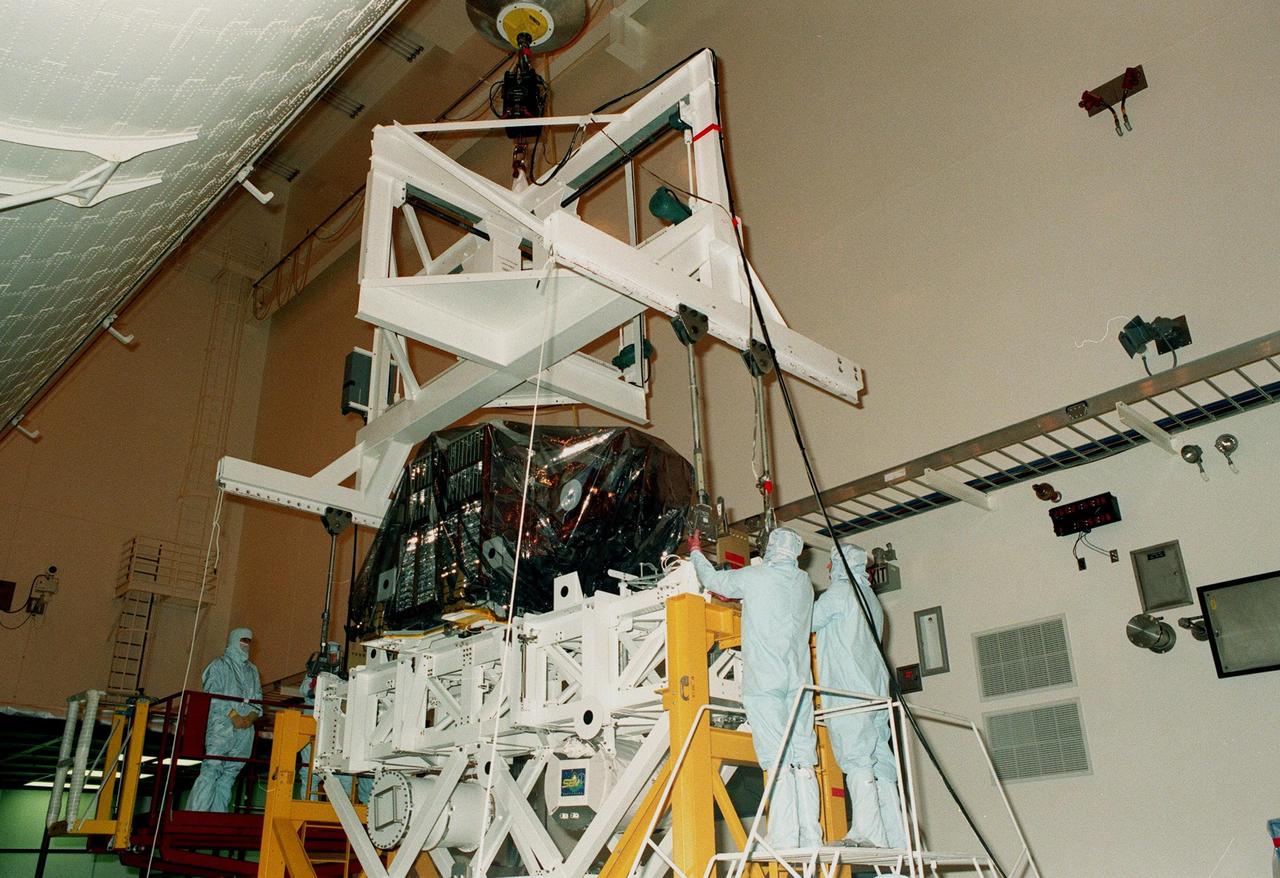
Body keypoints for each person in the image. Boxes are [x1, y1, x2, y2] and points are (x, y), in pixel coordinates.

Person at [688, 527, 821, 850]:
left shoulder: (757, 577)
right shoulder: (804, 584)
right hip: (799, 683)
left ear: (771, 548)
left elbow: (715, 582)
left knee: (776, 760)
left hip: (765, 682)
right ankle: (811, 836)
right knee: (803, 759)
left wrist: (695, 551)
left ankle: (785, 839)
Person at [812, 544, 906, 849]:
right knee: (880, 762)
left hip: (848, 692)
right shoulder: (872, 600)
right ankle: (896, 837)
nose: (827, 570)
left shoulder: (840, 594)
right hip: (875, 692)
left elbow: (804, 622)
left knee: (857, 759)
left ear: (840, 565)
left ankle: (868, 833)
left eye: (831, 564)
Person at [188, 627, 262, 812]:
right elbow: (212, 695)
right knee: (212, 769)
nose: (246, 645)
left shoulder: (252, 670)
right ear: (234, 640)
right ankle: (196, 813)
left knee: (230, 774)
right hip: (222, 726)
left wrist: (251, 717)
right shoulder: (219, 665)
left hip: (244, 731)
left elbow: (258, 700)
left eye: (248, 641)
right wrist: (234, 716)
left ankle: (216, 815)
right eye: (243, 640)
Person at [297, 667, 371, 803]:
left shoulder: (342, 679)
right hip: (312, 732)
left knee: (344, 776)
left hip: (336, 732)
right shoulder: (312, 676)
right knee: (310, 774)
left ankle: (342, 814)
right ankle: (310, 809)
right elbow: (306, 692)